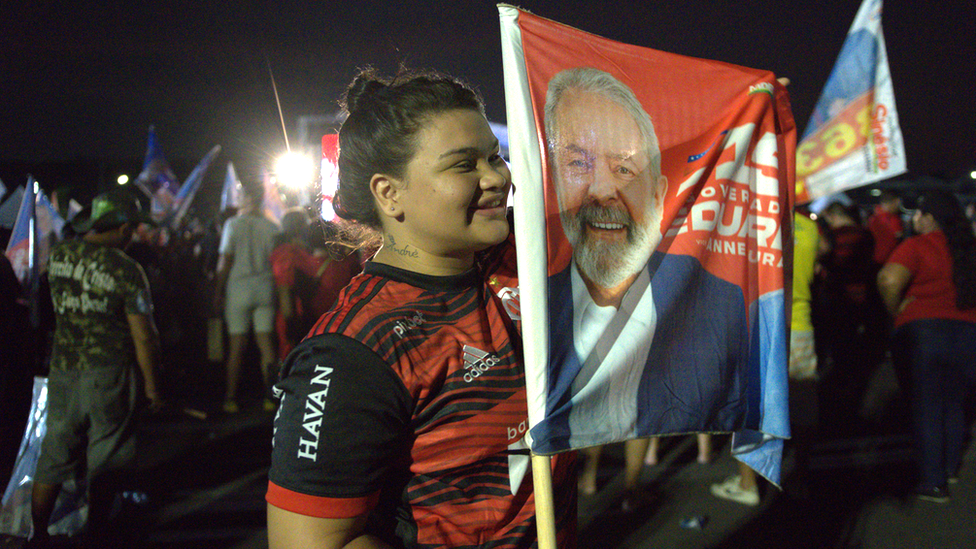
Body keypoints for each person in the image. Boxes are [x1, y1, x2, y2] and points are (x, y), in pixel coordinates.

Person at [266, 69, 576, 548]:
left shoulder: (527, 252)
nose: (496, 177)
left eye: (494, 156)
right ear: (389, 193)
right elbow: (308, 543)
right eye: (463, 165)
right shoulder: (353, 352)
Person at [535, 67, 750, 453]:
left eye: (624, 169)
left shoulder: (720, 303)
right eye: (579, 163)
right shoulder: (528, 307)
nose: (602, 190)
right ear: (552, 181)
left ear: (658, 196)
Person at [29, 189, 162, 545]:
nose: (133, 237)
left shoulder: (59, 255)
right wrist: (152, 387)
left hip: (64, 369)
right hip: (110, 373)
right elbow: (144, 335)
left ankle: (37, 534)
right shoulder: (125, 268)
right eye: (132, 230)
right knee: (108, 456)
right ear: (122, 229)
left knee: (54, 455)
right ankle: (97, 535)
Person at [877, 190, 976, 503]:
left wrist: (896, 310)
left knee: (927, 406)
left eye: (919, 213)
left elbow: (888, 280)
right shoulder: (969, 248)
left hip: (925, 333)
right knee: (955, 404)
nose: (914, 218)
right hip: (968, 332)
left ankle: (933, 482)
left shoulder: (917, 245)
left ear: (930, 218)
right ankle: (949, 468)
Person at [214, 182, 280, 413]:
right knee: (266, 344)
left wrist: (217, 291)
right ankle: (271, 397)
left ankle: (230, 398)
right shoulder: (272, 227)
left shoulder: (232, 224)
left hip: (238, 289)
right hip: (264, 287)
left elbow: (225, 260)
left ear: (245, 198)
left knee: (237, 345)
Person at [867, 189, 903, 265]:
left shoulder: (872, 219)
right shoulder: (893, 219)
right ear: (897, 201)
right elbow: (899, 237)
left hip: (872, 259)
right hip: (888, 260)